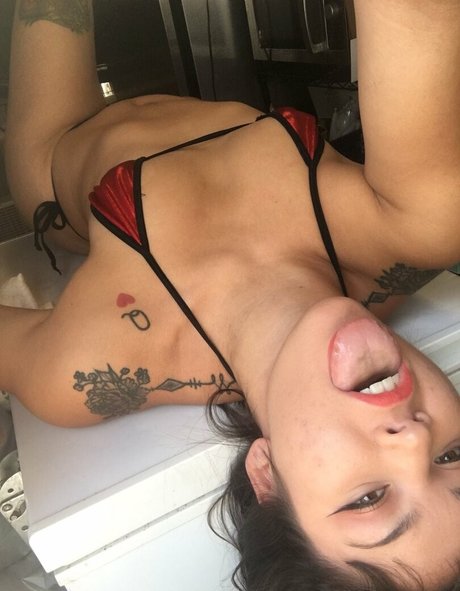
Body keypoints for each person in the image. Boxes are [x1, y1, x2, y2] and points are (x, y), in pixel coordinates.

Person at [2, 0, 460, 589]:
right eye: (452, 458)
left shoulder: (93, 368)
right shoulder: (420, 227)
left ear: (266, 478)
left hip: (56, 149)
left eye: (369, 498)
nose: (416, 439)